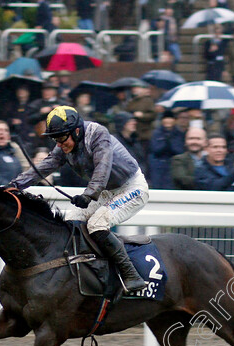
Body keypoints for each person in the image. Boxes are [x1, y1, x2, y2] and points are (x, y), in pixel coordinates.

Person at [9, 106, 149, 292]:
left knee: (97, 224)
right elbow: (45, 167)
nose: (58, 144)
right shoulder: (65, 142)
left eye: (60, 138)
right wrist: (14, 186)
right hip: (106, 191)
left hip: (131, 188)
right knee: (70, 221)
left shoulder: (98, 134)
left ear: (76, 131)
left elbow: (102, 168)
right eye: (54, 138)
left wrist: (88, 195)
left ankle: (131, 275)